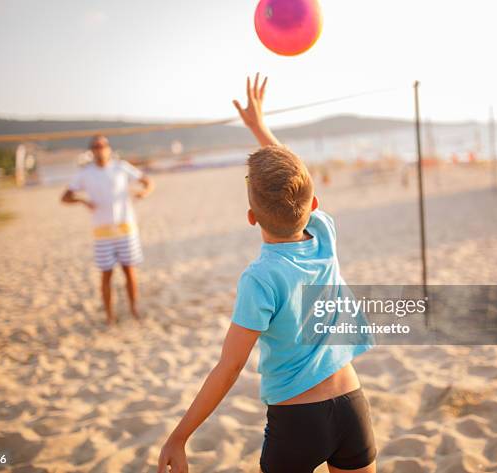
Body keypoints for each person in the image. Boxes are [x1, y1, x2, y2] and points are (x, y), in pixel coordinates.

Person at [157, 74, 376, 473]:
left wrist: (179, 436)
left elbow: (229, 367)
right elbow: (298, 177)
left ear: (250, 217)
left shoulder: (260, 278)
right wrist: (260, 128)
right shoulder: (324, 233)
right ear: (313, 205)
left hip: (297, 422)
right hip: (352, 403)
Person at [61, 135, 154, 325]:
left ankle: (134, 309)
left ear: (109, 148)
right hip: (102, 232)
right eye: (96, 146)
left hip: (125, 227)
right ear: (92, 150)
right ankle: (110, 315)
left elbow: (148, 182)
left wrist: (144, 192)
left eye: (103, 145)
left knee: (129, 271)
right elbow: (65, 197)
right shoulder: (85, 173)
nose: (100, 149)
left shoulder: (121, 167)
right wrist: (81, 200)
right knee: (106, 274)